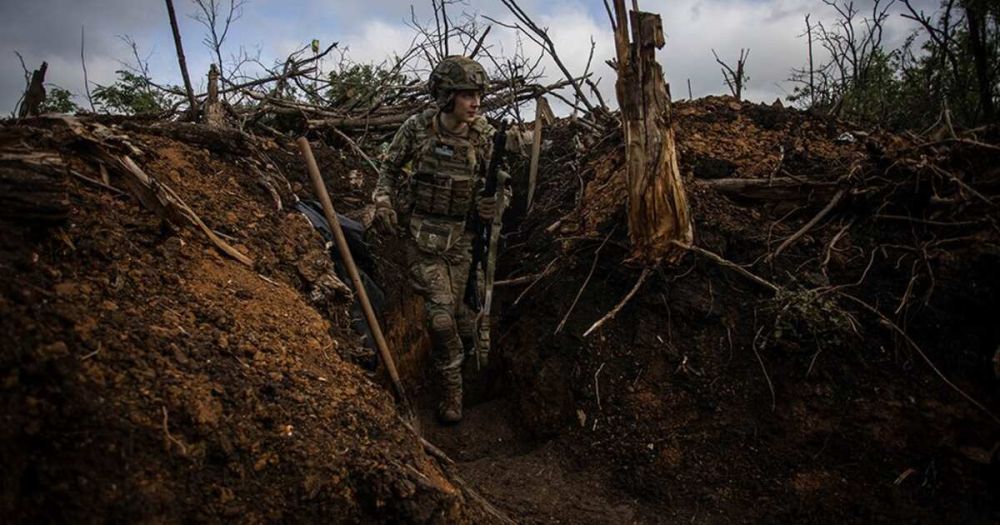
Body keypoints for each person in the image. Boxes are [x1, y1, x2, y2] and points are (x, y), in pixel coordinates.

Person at [371, 55, 502, 424]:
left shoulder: (485, 137)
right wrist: (382, 201)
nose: (475, 102)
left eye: (478, 94)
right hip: (422, 237)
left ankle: (473, 381)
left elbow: (505, 181)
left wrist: (493, 203)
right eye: (466, 94)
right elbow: (390, 168)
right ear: (446, 96)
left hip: (462, 240)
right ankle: (451, 393)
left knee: (463, 319)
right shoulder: (417, 129)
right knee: (440, 319)